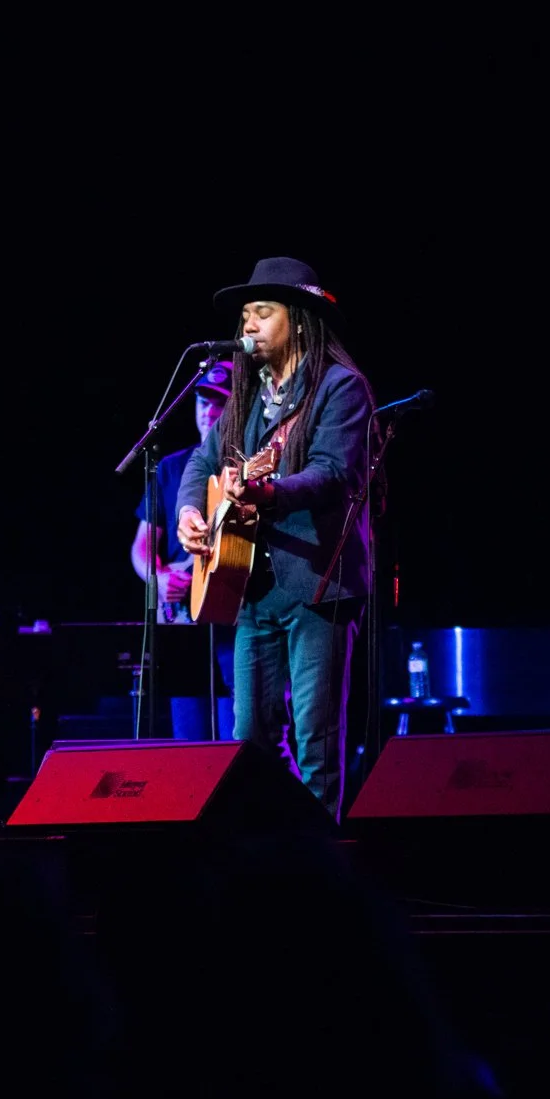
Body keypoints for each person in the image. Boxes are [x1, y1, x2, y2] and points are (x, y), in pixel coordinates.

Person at [177, 257, 376, 819]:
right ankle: (270, 845)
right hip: (251, 586)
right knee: (250, 739)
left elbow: (332, 473)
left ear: (300, 320)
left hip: (318, 583)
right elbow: (201, 462)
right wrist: (190, 510)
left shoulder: (341, 387)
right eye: (245, 315)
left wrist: (267, 493)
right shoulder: (246, 394)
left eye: (262, 312)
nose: (248, 325)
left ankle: (323, 853)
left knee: (316, 737)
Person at [130, 360, 236, 739]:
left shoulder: (248, 467)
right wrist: (158, 577)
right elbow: (142, 547)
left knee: (236, 734)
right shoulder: (172, 467)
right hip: (182, 620)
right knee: (189, 736)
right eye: (203, 402)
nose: (208, 411)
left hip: (234, 618)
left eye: (220, 403)